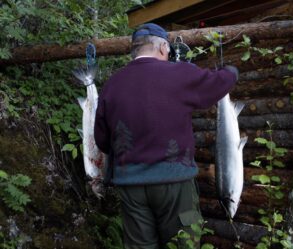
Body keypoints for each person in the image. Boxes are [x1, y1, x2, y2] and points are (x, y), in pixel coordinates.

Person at [94, 23, 238, 249]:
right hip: (176, 184)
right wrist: (231, 71)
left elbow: (102, 140)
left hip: (131, 188)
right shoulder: (178, 73)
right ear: (162, 47)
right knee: (185, 240)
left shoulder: (112, 84)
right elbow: (221, 82)